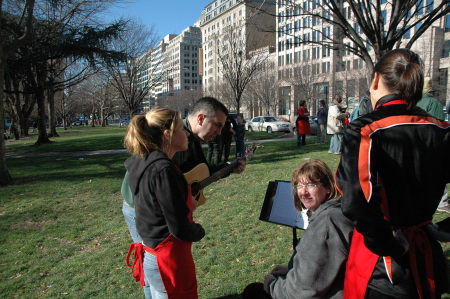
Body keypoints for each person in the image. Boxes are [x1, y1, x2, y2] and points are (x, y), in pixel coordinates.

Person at [336, 49, 450, 299]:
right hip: (425, 253)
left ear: (375, 80)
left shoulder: (366, 129)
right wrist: (443, 228)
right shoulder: (442, 129)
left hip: (383, 266)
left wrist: (387, 244)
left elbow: (355, 200)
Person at [121, 97, 246, 243]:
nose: (219, 132)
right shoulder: (175, 141)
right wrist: (183, 202)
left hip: (156, 211)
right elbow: (159, 182)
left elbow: (200, 172)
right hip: (143, 210)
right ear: (200, 118)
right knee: (152, 259)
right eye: (217, 125)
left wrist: (229, 168)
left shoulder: (187, 137)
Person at [243, 160, 354, 299]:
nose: (303, 192)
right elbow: (321, 263)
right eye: (299, 185)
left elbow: (301, 293)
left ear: (328, 188)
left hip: (332, 293)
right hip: (332, 286)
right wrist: (292, 269)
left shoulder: (326, 222)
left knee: (252, 292)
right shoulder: (335, 210)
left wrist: (272, 286)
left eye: (311, 185)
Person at [124, 108, 205, 299]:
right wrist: (199, 230)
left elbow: (155, 206)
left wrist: (184, 203)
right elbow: (179, 228)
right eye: (181, 129)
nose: (186, 133)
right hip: (166, 262)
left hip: (151, 253)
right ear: (167, 135)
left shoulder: (144, 159)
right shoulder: (163, 170)